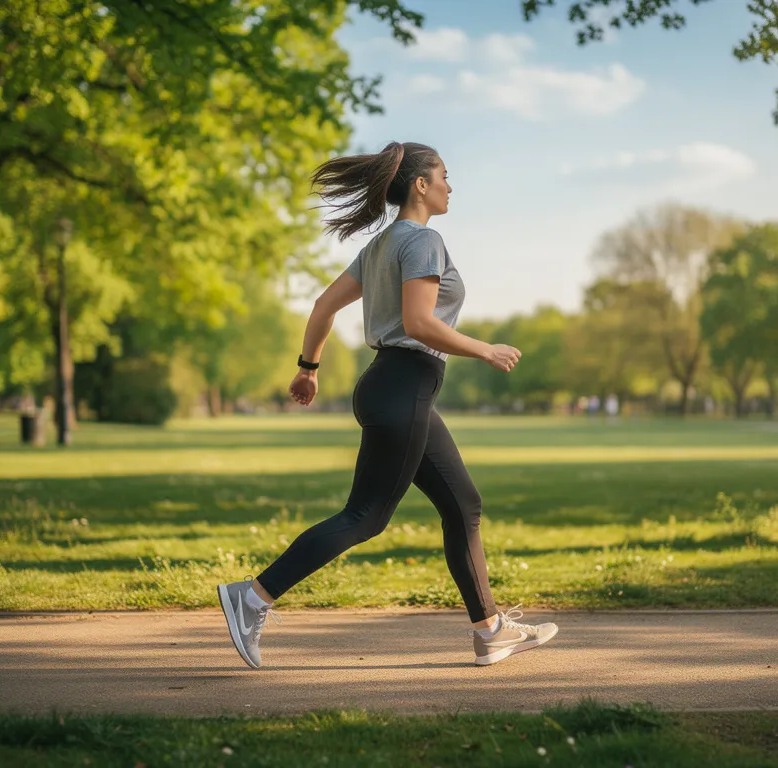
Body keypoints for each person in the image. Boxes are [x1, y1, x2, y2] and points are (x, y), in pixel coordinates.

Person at [217, 141, 558, 669]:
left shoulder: (379, 246)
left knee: (463, 504)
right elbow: (420, 324)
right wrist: (483, 349)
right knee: (365, 515)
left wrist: (308, 367)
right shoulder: (422, 241)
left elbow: (323, 305)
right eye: (444, 175)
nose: (450, 185)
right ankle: (253, 596)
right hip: (405, 384)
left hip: (392, 387)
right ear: (420, 184)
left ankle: (490, 630)